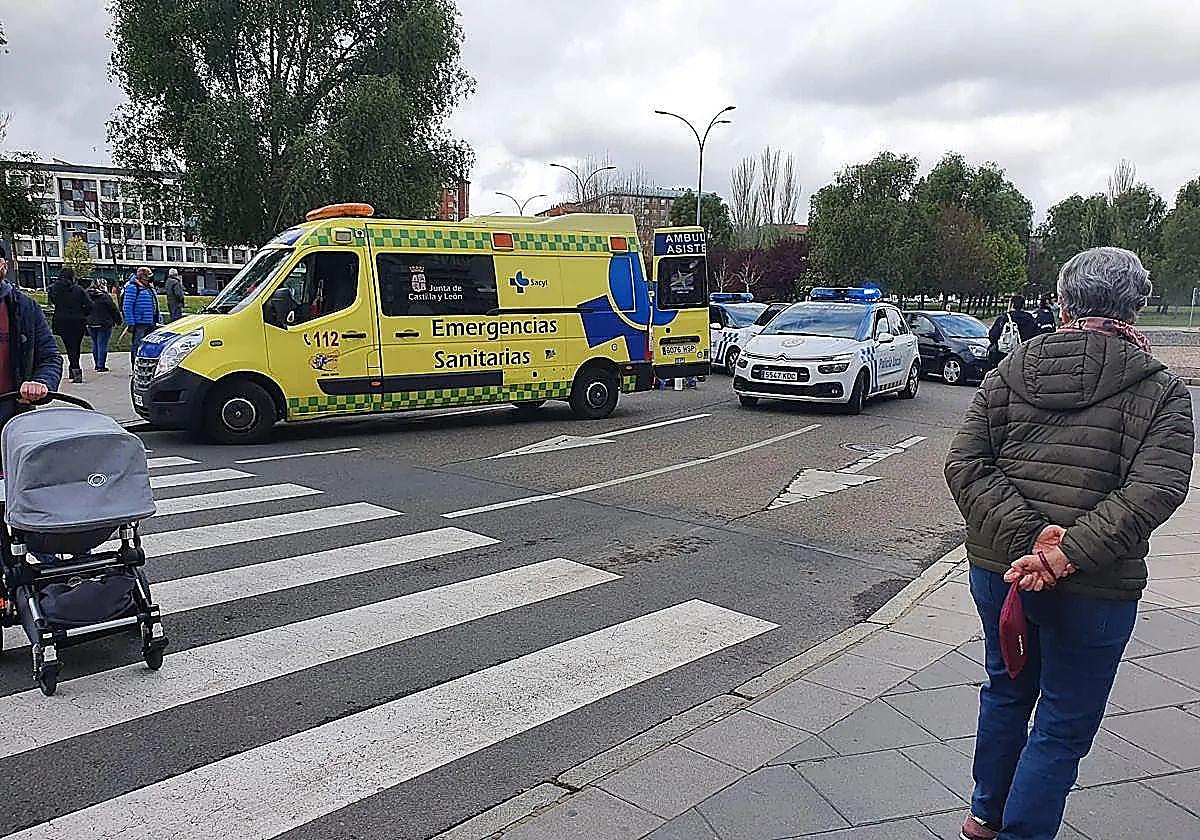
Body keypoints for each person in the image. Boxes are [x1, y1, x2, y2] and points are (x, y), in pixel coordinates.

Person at [945, 247, 1193, 840]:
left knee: (1006, 690)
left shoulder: (1009, 369)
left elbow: (965, 465)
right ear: (1135, 305)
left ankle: (985, 815)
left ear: (1061, 302)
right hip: (1096, 585)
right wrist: (1058, 552)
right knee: (1062, 721)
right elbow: (1157, 490)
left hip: (1002, 570)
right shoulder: (1161, 390)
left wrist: (1032, 545)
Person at [0, 243, 63, 430]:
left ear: (5, 265)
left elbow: (50, 357)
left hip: (11, 414)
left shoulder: (25, 307)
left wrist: (41, 382)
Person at [47, 267, 89, 384]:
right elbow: (89, 305)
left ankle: (73, 369)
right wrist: (83, 313)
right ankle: (75, 369)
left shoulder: (54, 289)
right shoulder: (78, 290)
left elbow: (52, 302)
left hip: (61, 321)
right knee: (75, 346)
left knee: (68, 345)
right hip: (77, 321)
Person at [987, 295, 1040, 365]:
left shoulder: (1004, 318)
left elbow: (992, 336)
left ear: (1011, 304)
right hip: (1024, 355)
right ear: (1023, 305)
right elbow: (1037, 336)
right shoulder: (1030, 319)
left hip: (1004, 357)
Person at [122, 267, 159, 363]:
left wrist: (158, 317)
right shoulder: (133, 287)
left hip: (151, 321)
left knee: (150, 346)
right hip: (140, 322)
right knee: (137, 346)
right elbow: (127, 306)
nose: (151, 278)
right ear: (142, 276)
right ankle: (135, 366)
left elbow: (155, 303)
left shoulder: (150, 287)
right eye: (149, 275)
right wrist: (131, 323)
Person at [85, 278, 121, 372]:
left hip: (90, 323)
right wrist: (118, 321)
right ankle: (101, 365)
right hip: (104, 323)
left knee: (95, 344)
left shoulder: (87, 295)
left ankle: (97, 364)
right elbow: (113, 309)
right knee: (102, 344)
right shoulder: (104, 296)